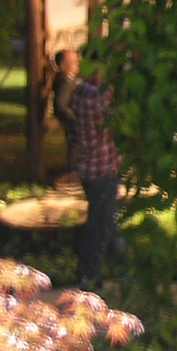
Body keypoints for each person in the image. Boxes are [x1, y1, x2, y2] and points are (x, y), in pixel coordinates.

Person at [65, 65, 124, 287]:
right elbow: (119, 122)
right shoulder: (99, 94)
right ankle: (89, 276)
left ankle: (122, 270)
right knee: (99, 227)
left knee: (108, 223)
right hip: (103, 169)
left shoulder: (81, 91)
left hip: (89, 167)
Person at [50, 49, 82, 173]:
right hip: (73, 122)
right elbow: (60, 105)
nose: (77, 64)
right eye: (73, 62)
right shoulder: (65, 82)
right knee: (76, 145)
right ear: (63, 66)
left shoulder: (71, 79)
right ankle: (74, 171)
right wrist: (75, 119)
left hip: (75, 120)